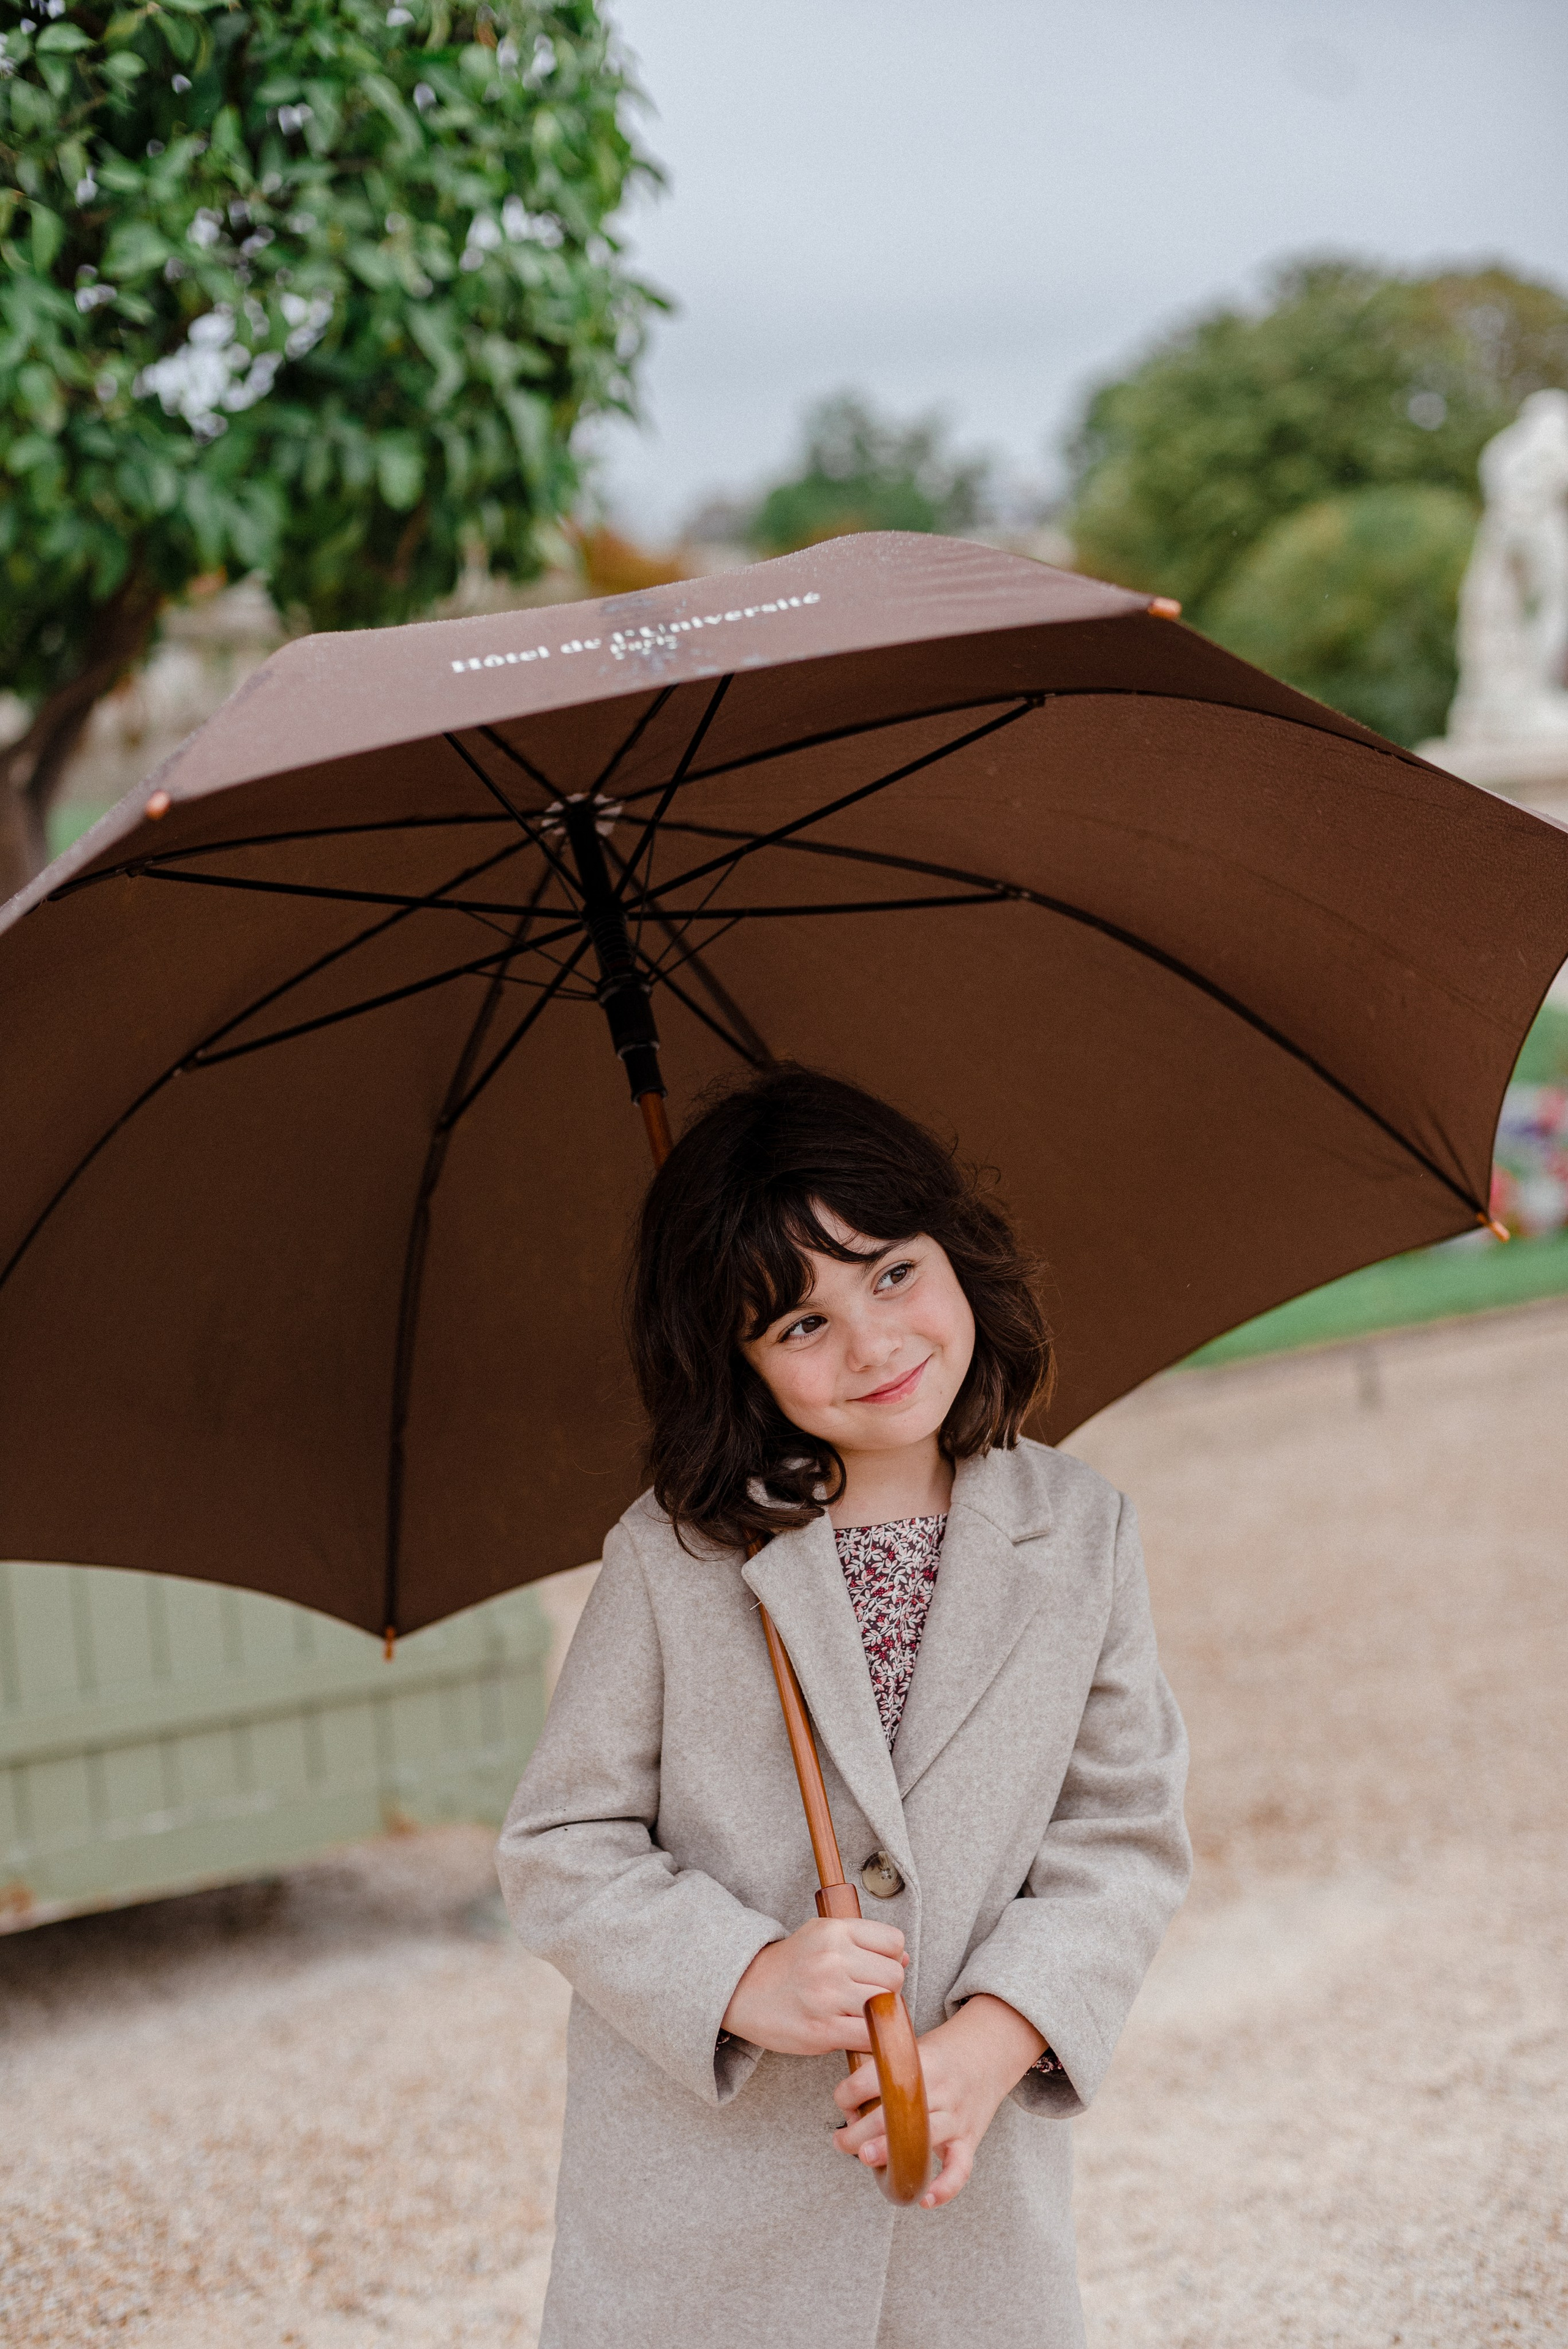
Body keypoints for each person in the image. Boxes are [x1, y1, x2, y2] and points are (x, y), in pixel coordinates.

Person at [497, 1066, 1191, 2349]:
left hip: (961, 2221)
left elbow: (1121, 1839)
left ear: (958, 1257)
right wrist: (740, 1971)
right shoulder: (674, 1558)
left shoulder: (1079, 1533)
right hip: (703, 2230)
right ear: (733, 1361)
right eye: (796, 1324)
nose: (871, 1342)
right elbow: (558, 1847)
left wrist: (991, 2041)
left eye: (888, 1273)